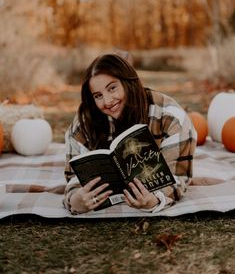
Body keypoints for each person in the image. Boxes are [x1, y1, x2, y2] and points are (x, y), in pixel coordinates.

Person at [63, 53, 197, 214]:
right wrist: (74, 200)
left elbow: (177, 177)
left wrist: (153, 201)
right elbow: (74, 178)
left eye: (112, 88)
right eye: (98, 96)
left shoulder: (171, 118)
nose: (107, 101)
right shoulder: (84, 124)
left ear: (128, 82)